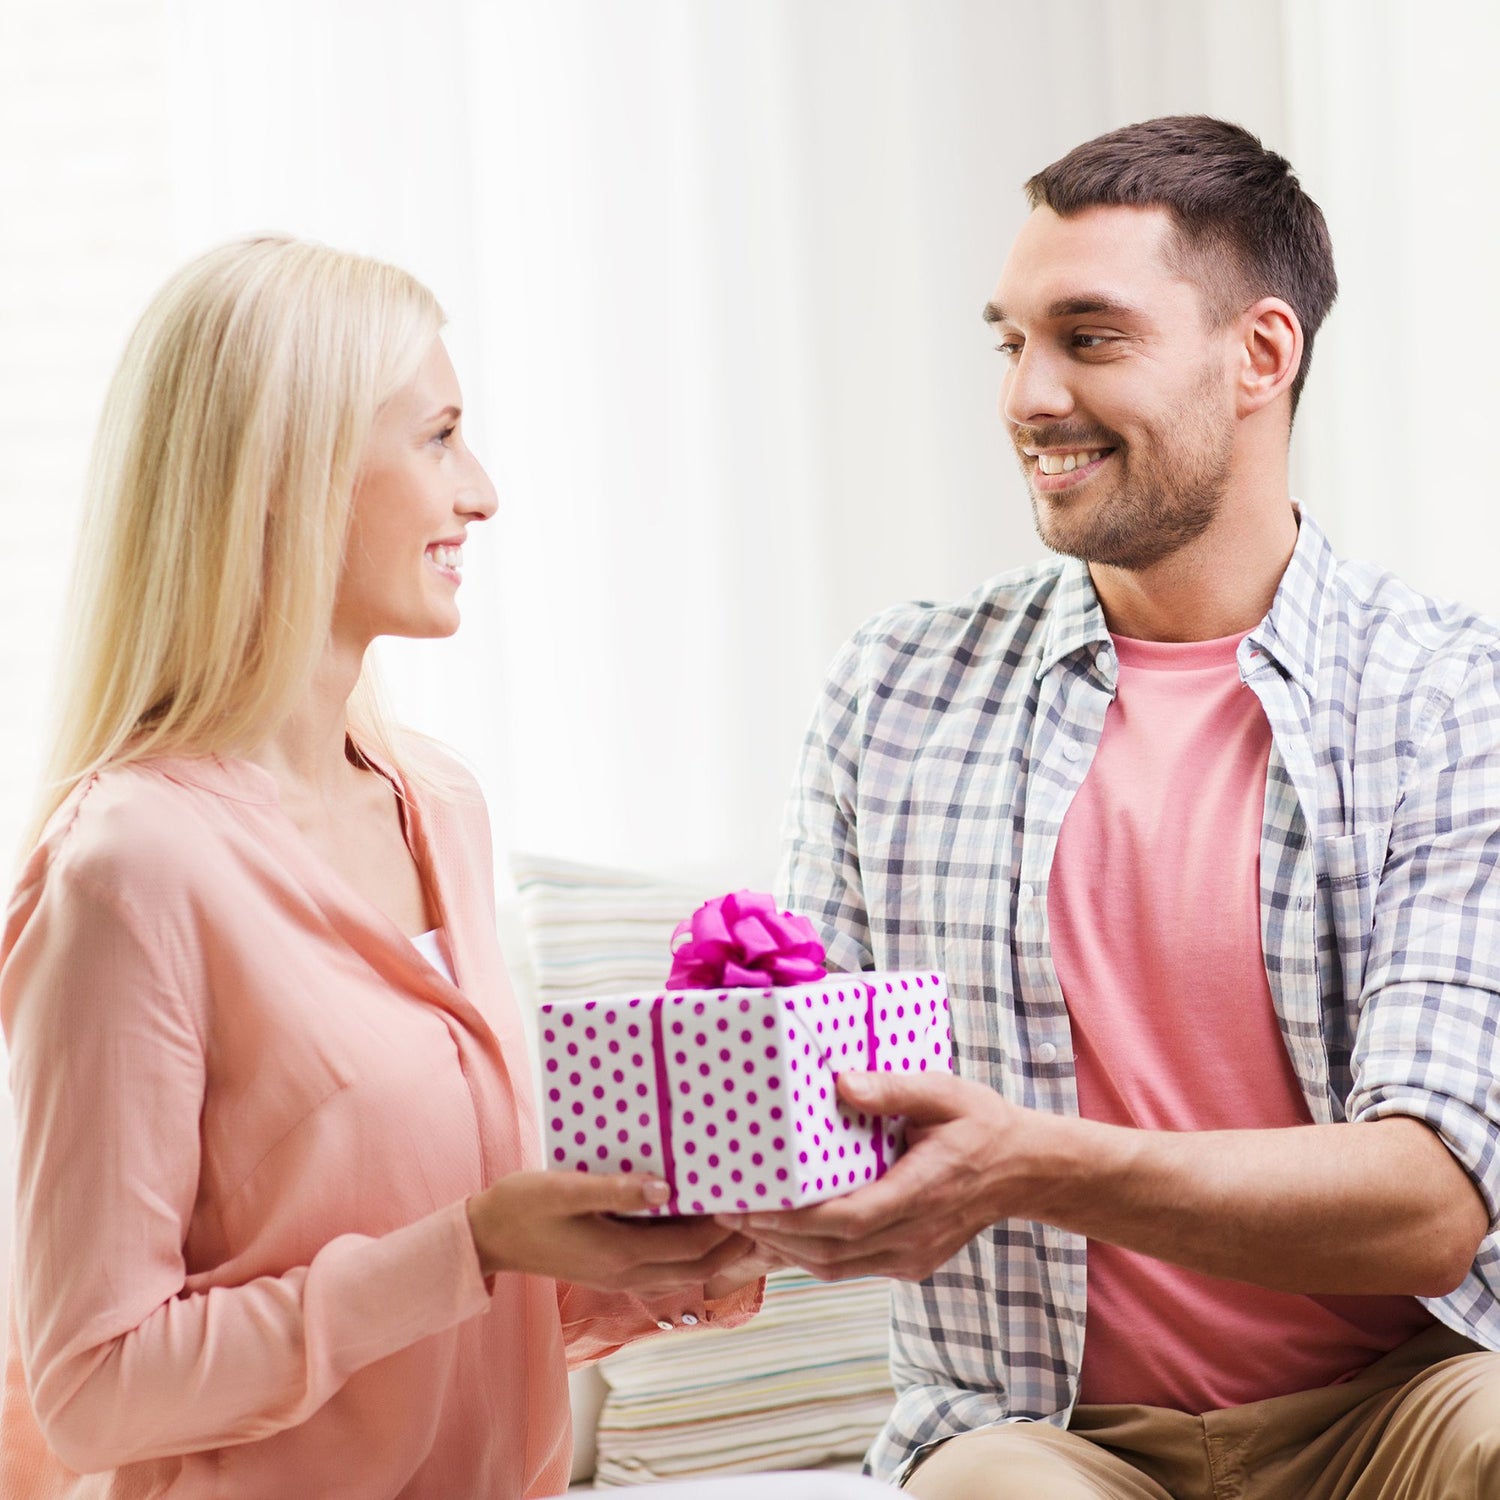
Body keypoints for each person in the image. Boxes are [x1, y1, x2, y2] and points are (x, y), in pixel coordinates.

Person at [725, 116, 1500, 1498]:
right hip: (1045, 1432)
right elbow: (802, 1096)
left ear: (1260, 356)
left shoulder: (1450, 698)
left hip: (1401, 1406)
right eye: (1009, 341)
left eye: (1088, 339)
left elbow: (1430, 1204)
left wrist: (1037, 1164)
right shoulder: (898, 686)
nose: (1028, 395)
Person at [0, 235, 791, 1499]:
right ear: (282, 472)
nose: (482, 491)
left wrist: (661, 1266)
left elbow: (444, 1332)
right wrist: (470, 1246)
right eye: (438, 437)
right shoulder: (130, 867)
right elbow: (95, 1392)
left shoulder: (439, 801)